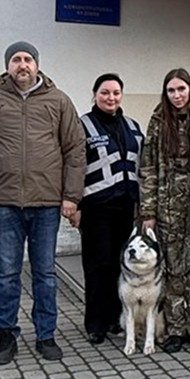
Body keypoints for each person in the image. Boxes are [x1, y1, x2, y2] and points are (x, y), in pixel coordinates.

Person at [0, 41, 86, 365]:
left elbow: (74, 150)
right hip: (3, 203)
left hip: (46, 204)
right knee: (7, 274)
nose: (22, 65)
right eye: (16, 60)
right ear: (7, 66)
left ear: (37, 65)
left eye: (27, 59)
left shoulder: (58, 101)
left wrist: (71, 196)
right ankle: (6, 335)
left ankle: (46, 334)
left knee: (45, 273)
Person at [138, 69, 190, 353]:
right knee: (173, 272)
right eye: (172, 90)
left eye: (181, 89)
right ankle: (175, 329)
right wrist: (148, 212)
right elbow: (147, 168)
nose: (177, 95)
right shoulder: (157, 121)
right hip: (166, 209)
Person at [76, 73, 145, 344]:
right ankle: (96, 323)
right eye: (105, 92)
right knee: (97, 265)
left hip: (126, 207)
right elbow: (73, 168)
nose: (110, 97)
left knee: (121, 264)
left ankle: (117, 319)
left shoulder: (133, 126)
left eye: (116, 93)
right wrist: (75, 204)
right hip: (95, 207)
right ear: (94, 95)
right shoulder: (82, 126)